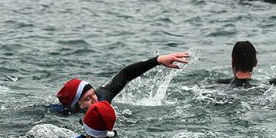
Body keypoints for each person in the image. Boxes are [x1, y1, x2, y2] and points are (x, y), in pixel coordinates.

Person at [52, 52, 189, 114]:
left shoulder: (103, 96)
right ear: (77, 105)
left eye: (93, 94)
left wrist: (157, 60)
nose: (96, 100)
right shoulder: (66, 114)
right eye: (88, 98)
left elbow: (125, 74)